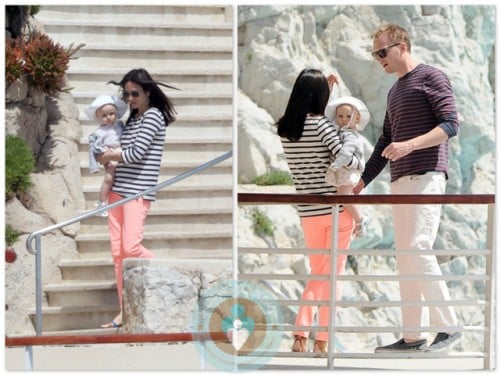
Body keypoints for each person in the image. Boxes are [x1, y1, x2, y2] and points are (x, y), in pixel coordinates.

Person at [353, 23, 461, 352]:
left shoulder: (432, 77)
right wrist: (360, 183)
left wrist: (410, 145)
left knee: (418, 247)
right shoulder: (394, 91)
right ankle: (412, 336)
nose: (378, 59)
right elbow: (386, 140)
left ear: (401, 46)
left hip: (428, 174)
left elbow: (450, 125)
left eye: (382, 52)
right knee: (405, 257)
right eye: (375, 55)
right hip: (399, 179)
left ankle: (450, 327)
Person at [277, 68, 360, 353]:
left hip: (307, 211)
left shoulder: (286, 129)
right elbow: (344, 158)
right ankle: (322, 341)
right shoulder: (323, 127)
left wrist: (325, 88)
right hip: (335, 210)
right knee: (333, 275)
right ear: (319, 98)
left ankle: (301, 335)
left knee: (317, 272)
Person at [97, 68, 177, 328]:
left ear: (147, 92)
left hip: (138, 192)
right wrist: (107, 154)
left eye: (135, 93)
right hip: (117, 191)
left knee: (131, 248)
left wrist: (110, 156)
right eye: (127, 94)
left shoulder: (153, 116)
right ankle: (124, 311)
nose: (129, 99)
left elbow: (136, 154)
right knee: (118, 254)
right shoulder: (132, 118)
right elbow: (124, 150)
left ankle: (172, 275)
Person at [324, 95, 370, 237]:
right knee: (343, 196)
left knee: (344, 196)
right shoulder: (343, 132)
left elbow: (345, 153)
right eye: (340, 116)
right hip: (344, 170)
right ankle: (358, 220)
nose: (343, 119)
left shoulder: (351, 136)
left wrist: (334, 166)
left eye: (348, 116)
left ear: (356, 118)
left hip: (347, 171)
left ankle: (360, 219)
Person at [85, 94, 128, 217]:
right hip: (111, 155)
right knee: (109, 179)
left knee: (116, 178)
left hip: (120, 152)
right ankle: (102, 202)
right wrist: (104, 151)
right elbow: (96, 147)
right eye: (104, 115)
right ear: (98, 117)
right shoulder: (100, 132)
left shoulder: (119, 125)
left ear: (116, 113)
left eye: (111, 114)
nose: (108, 117)